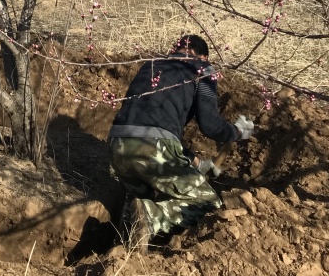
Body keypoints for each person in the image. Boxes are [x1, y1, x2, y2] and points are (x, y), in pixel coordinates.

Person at [107, 34, 253, 246]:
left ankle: (122, 248)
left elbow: (156, 128)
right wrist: (237, 132)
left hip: (117, 145)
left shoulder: (153, 65)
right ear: (203, 55)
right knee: (207, 204)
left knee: (140, 199)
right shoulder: (202, 69)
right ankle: (151, 216)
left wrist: (197, 164)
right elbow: (210, 125)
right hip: (153, 147)